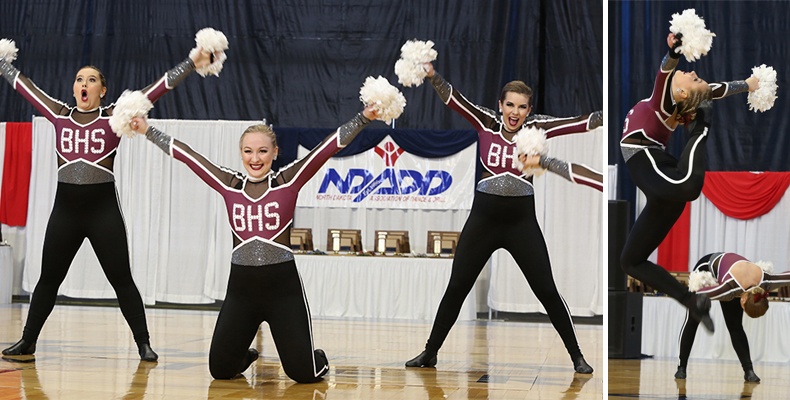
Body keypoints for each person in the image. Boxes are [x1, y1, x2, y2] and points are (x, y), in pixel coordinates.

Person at [128, 104, 384, 382]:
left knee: (303, 374)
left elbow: (327, 147)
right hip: (241, 293)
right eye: (248, 151)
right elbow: (190, 157)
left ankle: (318, 357)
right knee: (221, 371)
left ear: (275, 153)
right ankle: (247, 354)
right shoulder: (230, 184)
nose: (255, 158)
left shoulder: (289, 180)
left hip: (283, 293)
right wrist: (147, 131)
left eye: (262, 151)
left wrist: (364, 117)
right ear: (241, 154)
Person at [0, 43, 215, 362]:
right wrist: (2, 62)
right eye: (79, 79)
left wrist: (191, 62)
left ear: (103, 89)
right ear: (73, 88)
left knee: (122, 279)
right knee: (48, 279)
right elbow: (24, 86)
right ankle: (28, 341)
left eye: (91, 80)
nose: (83, 84)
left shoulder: (115, 116)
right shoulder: (59, 113)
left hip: (102, 213)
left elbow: (158, 88)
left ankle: (143, 343)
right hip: (65, 213)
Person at [404, 62, 602, 374]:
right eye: (510, 104)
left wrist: (609, 115)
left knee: (547, 290)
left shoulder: (538, 128)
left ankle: (577, 356)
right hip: (483, 221)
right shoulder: (484, 120)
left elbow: (582, 122)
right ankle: (430, 352)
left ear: (529, 109)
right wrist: (432, 75)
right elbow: (454, 98)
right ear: (500, 105)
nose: (515, 112)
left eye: (522, 107)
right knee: (456, 287)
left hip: (521, 223)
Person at [618, 32, 759, 333]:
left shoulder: (664, 96)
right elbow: (715, 89)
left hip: (656, 166)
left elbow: (666, 69)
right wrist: (747, 85)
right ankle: (691, 301)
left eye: (693, 80)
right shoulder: (673, 97)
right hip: (662, 181)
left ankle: (702, 128)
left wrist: (674, 50)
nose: (694, 73)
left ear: (681, 95)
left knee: (688, 187)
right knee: (630, 261)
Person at [675, 252, 790, 382]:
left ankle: (749, 371)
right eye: (744, 307)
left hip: (735, 275)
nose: (741, 307)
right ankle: (681, 367)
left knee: (735, 325)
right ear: (744, 299)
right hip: (707, 267)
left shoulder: (768, 281)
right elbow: (698, 294)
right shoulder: (729, 289)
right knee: (693, 318)